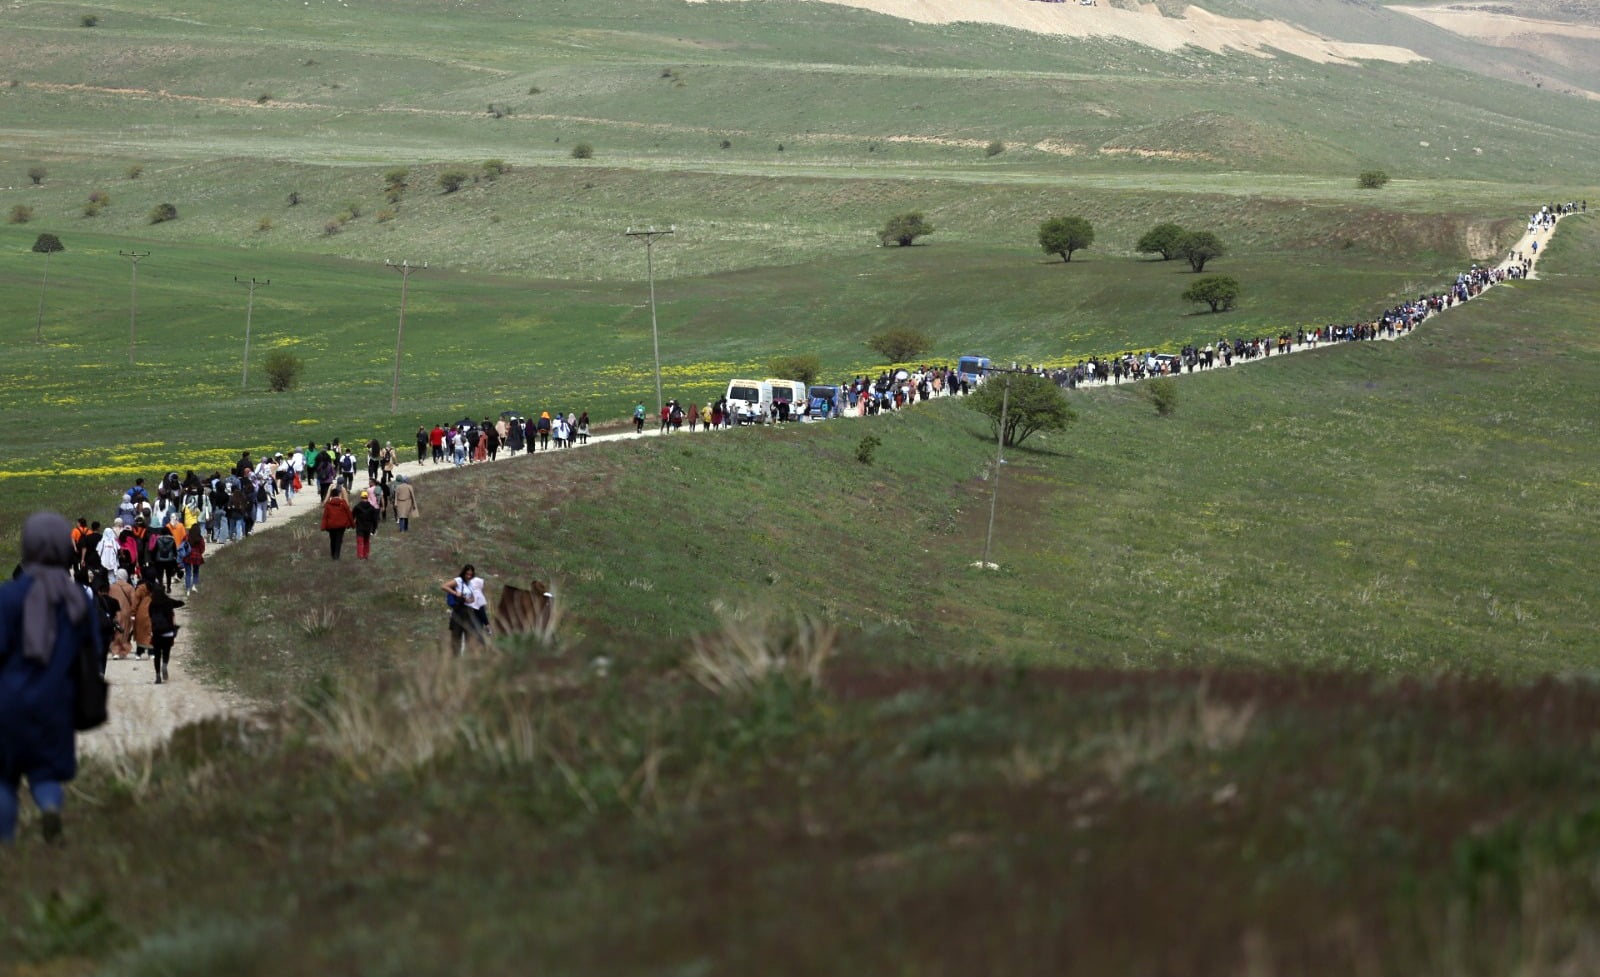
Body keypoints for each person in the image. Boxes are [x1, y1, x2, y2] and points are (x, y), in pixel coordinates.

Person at [0, 512, 102, 845]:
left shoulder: (8, 597)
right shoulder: (77, 600)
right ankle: (50, 812)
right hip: (56, 702)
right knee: (45, 774)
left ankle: (6, 847)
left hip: (8, 703)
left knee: (4, 778)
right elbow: (92, 656)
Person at [144, 579, 184, 685]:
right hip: (168, 632)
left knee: (157, 655)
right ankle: (165, 665)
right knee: (166, 652)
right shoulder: (168, 602)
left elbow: (150, 616)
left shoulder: (152, 604)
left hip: (156, 632)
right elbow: (180, 603)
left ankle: (157, 676)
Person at [443, 564, 488, 651]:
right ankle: (455, 659)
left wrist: (470, 599)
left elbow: (472, 599)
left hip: (469, 611)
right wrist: (455, 593)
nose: (468, 576)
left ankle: (466, 659)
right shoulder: (459, 580)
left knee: (469, 637)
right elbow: (444, 586)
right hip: (459, 611)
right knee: (456, 636)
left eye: (471, 574)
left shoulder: (470, 583)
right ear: (463, 573)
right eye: (467, 574)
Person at [106, 569, 136, 660]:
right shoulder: (129, 587)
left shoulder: (111, 587)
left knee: (116, 632)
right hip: (126, 613)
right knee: (125, 632)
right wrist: (133, 613)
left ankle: (115, 651)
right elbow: (133, 601)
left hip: (114, 612)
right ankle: (122, 651)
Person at [321, 488, 355, 560]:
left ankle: (333, 554)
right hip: (341, 525)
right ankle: (336, 556)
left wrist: (323, 526)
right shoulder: (343, 503)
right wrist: (352, 524)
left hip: (331, 525)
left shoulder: (328, 504)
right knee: (339, 540)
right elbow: (349, 514)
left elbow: (325, 516)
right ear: (339, 494)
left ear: (332, 495)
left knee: (332, 539)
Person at [352, 490, 380, 560]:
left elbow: (352, 516)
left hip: (360, 527)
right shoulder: (372, 508)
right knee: (366, 542)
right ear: (367, 497)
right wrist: (374, 529)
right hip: (368, 527)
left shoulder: (357, 507)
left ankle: (360, 556)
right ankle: (366, 555)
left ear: (361, 497)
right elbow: (375, 520)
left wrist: (351, 524)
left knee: (360, 542)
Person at [181, 525, 205, 595]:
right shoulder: (200, 538)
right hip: (197, 556)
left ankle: (188, 589)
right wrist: (199, 553)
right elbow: (202, 548)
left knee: (188, 573)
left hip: (187, 556)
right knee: (196, 572)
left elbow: (182, 545)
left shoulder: (187, 536)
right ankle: (194, 586)